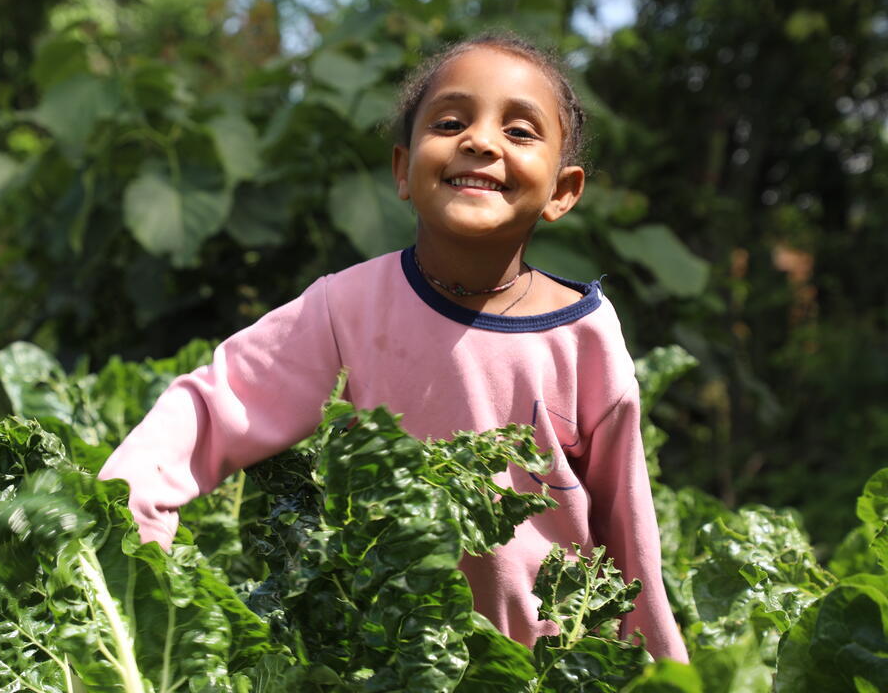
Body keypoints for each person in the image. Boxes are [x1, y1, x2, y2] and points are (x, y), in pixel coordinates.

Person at [99, 32, 689, 663]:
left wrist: (661, 670)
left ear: (562, 192)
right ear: (404, 170)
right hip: (378, 663)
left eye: (520, 132)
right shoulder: (345, 309)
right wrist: (122, 526)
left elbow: (629, 538)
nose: (481, 141)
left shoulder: (587, 336)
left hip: (545, 668)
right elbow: (213, 405)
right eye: (452, 121)